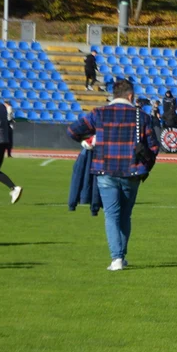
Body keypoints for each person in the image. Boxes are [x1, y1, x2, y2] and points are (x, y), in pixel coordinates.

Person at [67, 78, 160, 270]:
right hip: (132, 171)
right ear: (130, 95)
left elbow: (72, 131)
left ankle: (116, 258)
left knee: (111, 215)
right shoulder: (141, 116)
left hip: (105, 170)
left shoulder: (99, 114)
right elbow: (153, 147)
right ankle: (121, 256)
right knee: (125, 215)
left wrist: (88, 141)